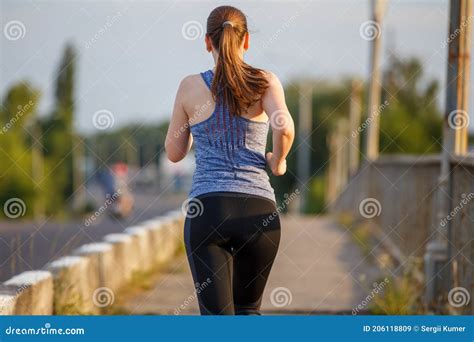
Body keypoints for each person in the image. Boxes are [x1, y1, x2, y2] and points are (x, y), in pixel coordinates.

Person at [165, 5, 295, 315]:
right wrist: (278, 162)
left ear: (207, 42)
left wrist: (199, 125)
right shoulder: (265, 81)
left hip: (208, 210)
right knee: (248, 313)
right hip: (259, 213)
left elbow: (174, 153)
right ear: (246, 40)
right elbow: (285, 127)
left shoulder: (189, 86)